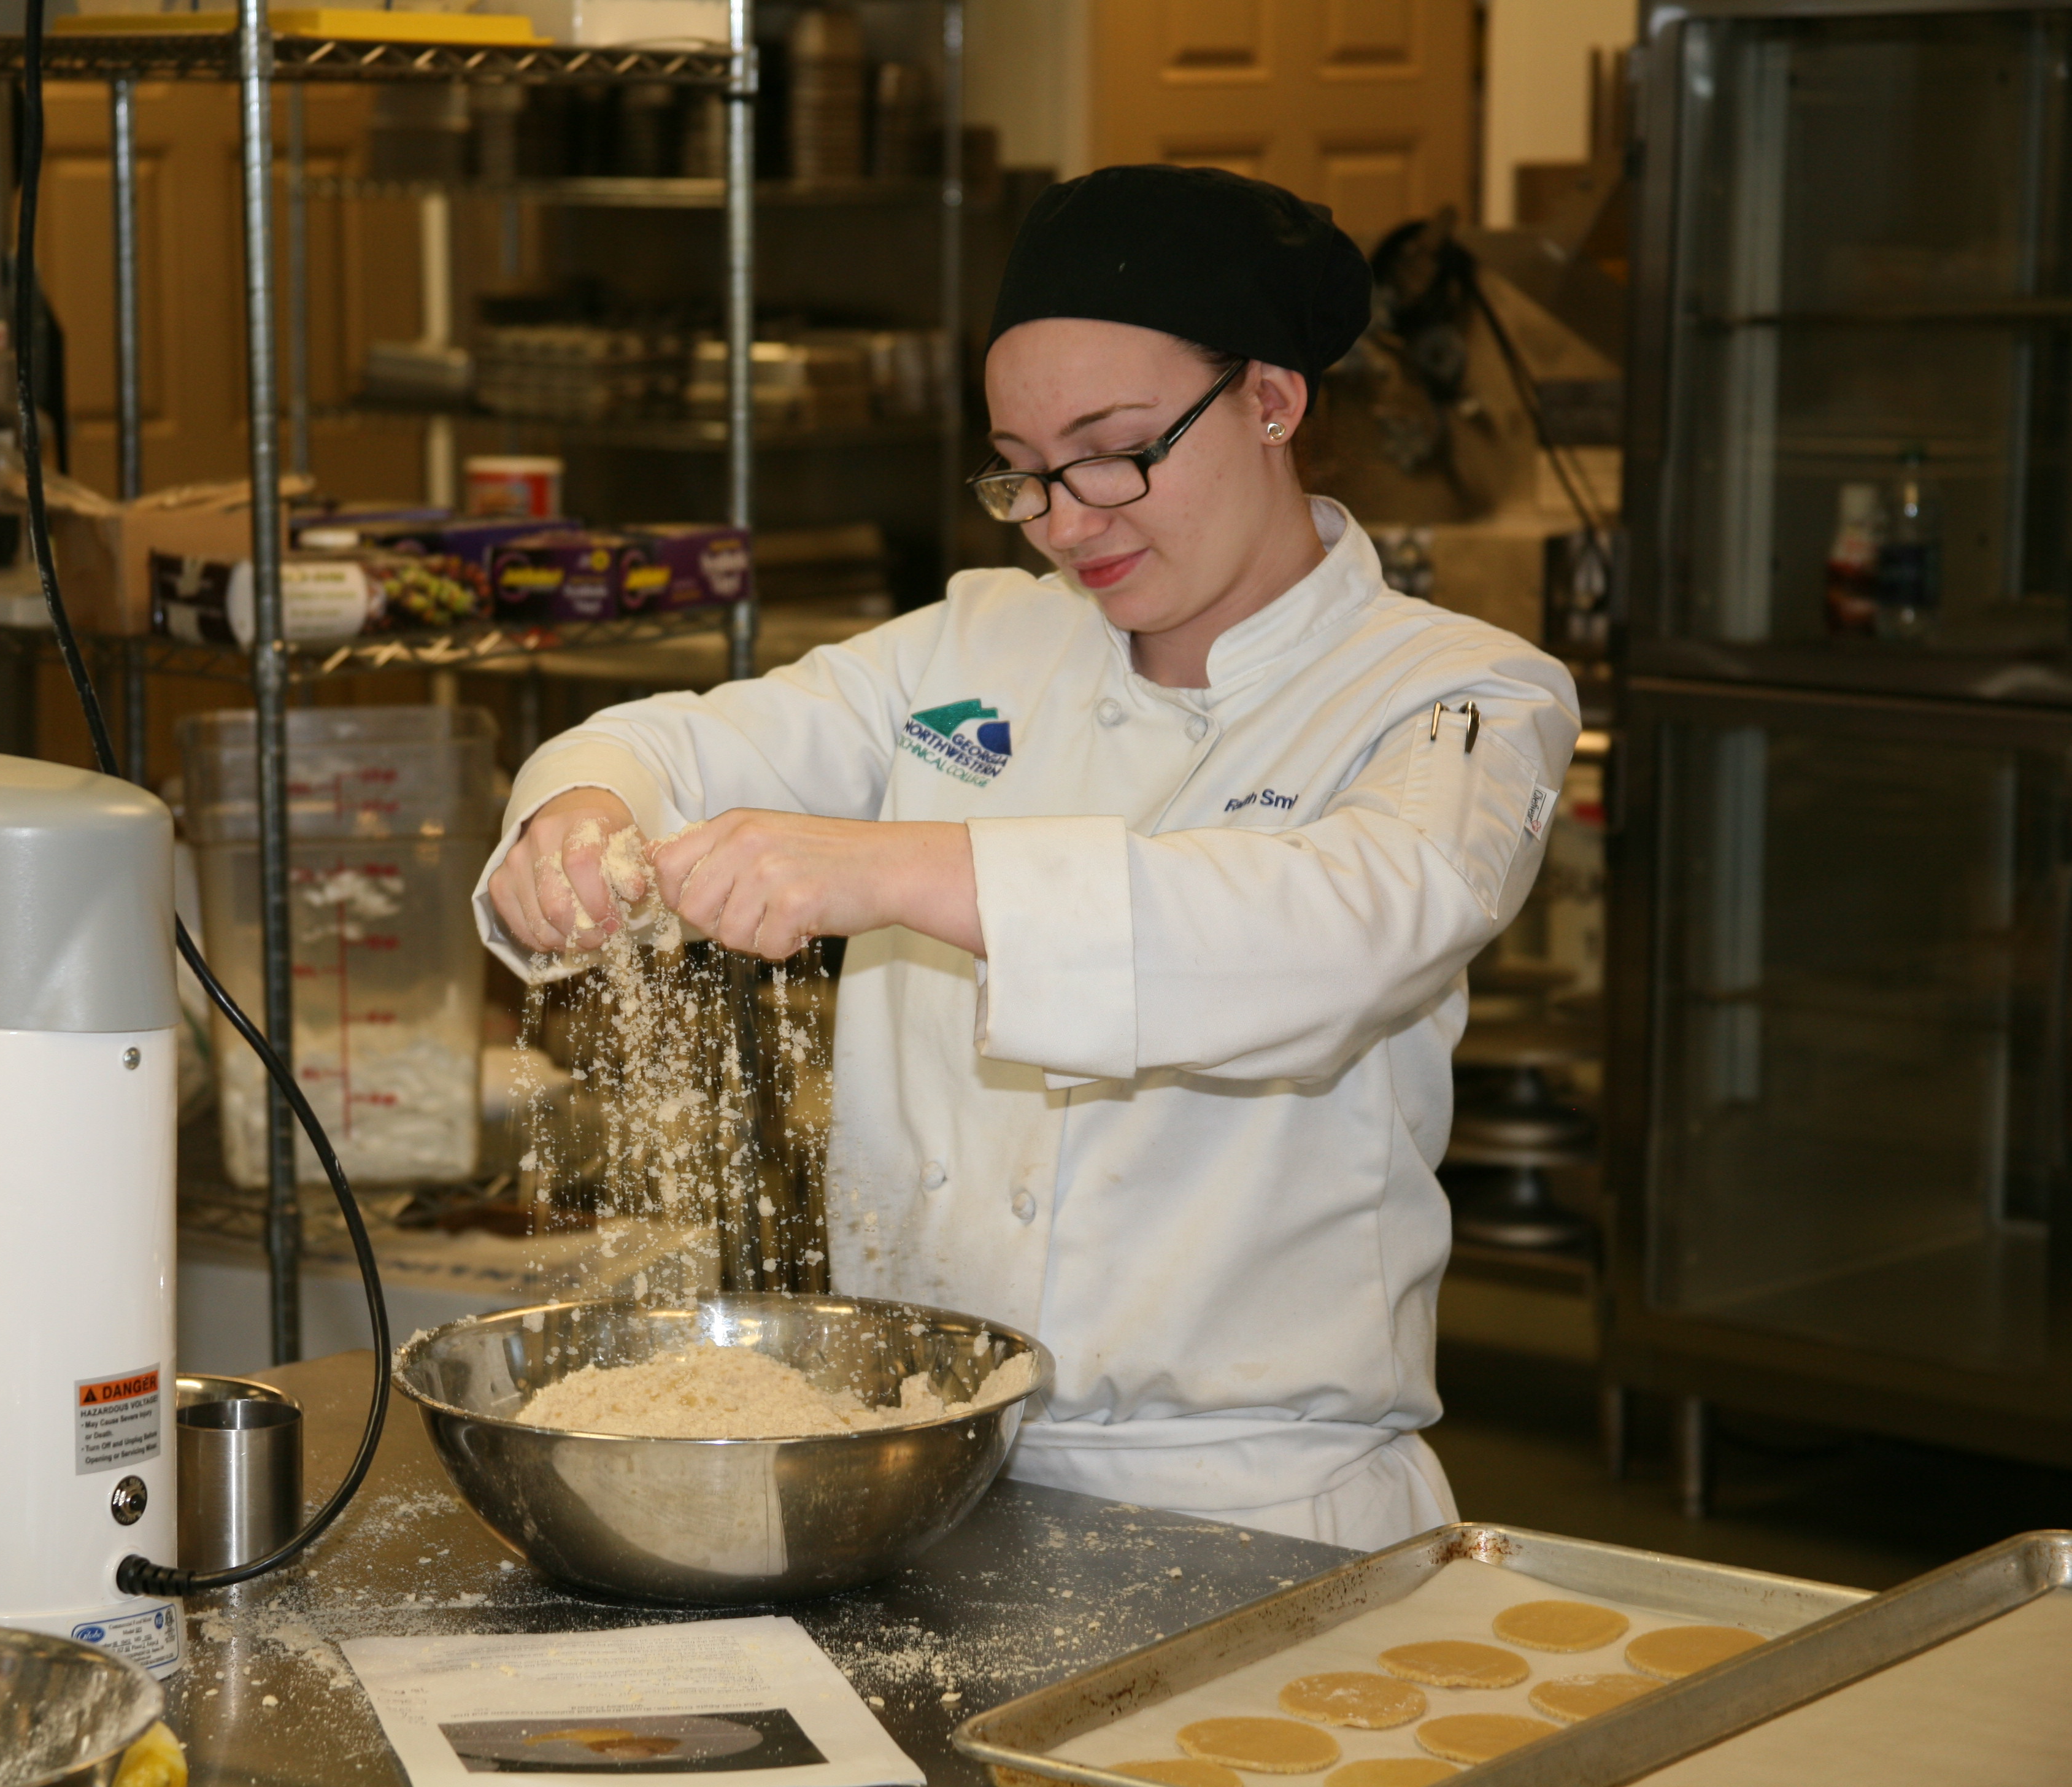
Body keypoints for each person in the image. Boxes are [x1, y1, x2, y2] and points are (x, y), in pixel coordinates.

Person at [476, 165, 1580, 1550]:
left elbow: (1337, 929)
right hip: (915, 1465)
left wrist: (884, 869)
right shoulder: (982, 640)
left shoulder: (1461, 694)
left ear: (1272, 399)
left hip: (1261, 1502)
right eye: (1024, 470)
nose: (1067, 517)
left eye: (1114, 449)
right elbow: (674, 744)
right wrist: (578, 813)